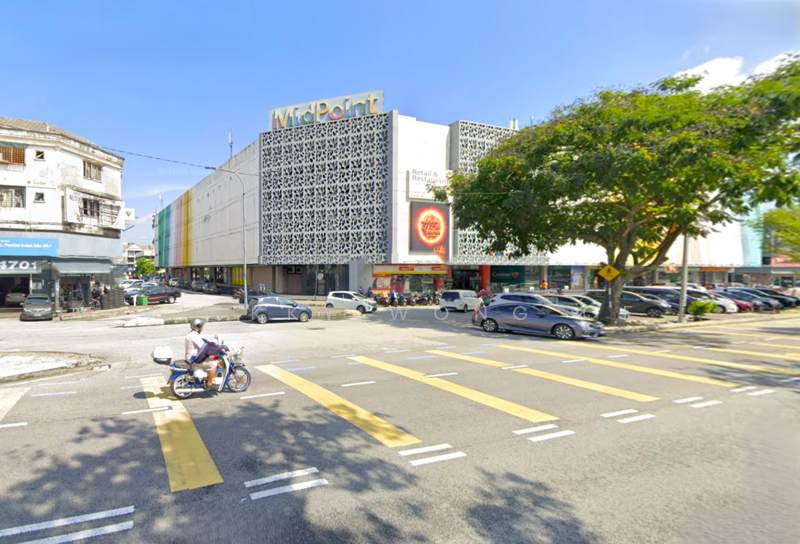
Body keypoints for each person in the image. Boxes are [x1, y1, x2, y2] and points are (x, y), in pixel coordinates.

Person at [185, 318, 225, 390]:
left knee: (212, 358)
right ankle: (209, 384)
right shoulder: (194, 335)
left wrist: (213, 344)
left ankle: (207, 377)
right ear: (197, 327)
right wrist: (219, 350)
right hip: (194, 358)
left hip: (193, 356)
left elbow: (203, 342)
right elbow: (207, 349)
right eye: (201, 326)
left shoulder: (192, 333)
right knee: (214, 364)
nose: (202, 327)